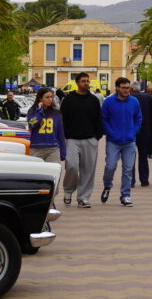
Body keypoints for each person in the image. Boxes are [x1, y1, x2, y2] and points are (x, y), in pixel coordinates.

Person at [60, 74, 104, 208]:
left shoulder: (93, 100)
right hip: (72, 139)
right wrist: (64, 136)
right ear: (77, 83)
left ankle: (83, 197)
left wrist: (98, 136)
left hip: (90, 139)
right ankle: (68, 191)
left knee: (88, 170)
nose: (86, 83)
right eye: (83, 81)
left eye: (87, 81)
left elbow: (98, 118)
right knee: (72, 166)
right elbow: (62, 119)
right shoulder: (68, 99)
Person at [101, 77, 142, 207]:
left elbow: (138, 118)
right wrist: (110, 132)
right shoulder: (108, 102)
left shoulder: (134, 101)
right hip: (113, 141)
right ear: (117, 87)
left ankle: (125, 195)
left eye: (128, 88)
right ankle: (107, 186)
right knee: (110, 166)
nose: (126, 90)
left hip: (129, 141)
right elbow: (103, 119)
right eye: (123, 88)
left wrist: (134, 131)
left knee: (128, 170)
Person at [26, 89, 66, 164]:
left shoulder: (56, 113)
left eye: (51, 97)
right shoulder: (32, 111)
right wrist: (40, 112)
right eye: (47, 97)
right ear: (40, 98)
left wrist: (63, 151)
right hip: (36, 149)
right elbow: (32, 124)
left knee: (53, 173)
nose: (50, 99)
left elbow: (60, 133)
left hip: (53, 149)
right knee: (37, 174)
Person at [134, 85, 152, 187]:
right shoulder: (148, 97)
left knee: (130, 157)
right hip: (145, 131)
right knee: (143, 156)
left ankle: (130, 181)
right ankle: (144, 180)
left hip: (131, 132)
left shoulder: (128, 98)